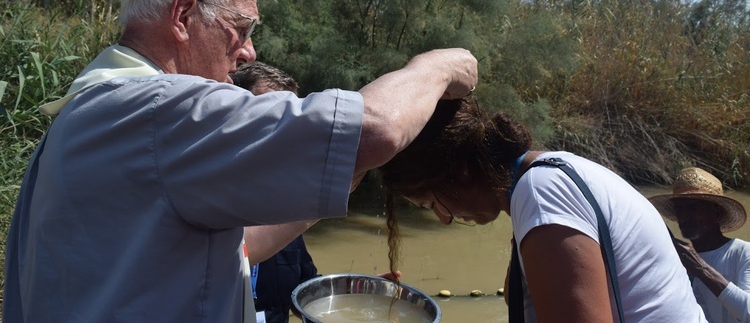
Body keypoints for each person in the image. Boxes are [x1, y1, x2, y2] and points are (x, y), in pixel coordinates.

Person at [2, 0, 478, 322]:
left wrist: (332, 176)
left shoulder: (88, 111)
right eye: (242, 28)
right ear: (184, 15)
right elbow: (376, 130)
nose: (249, 52)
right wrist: (436, 66)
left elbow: (240, 247)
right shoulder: (160, 108)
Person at [379, 98, 708, 322]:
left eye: (433, 203)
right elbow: (516, 298)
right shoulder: (544, 177)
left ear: (460, 170)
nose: (444, 219)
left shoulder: (543, 192)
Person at [231, 61, 318, 323]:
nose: (281, 129)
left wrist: (353, 296)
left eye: (289, 117)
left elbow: (304, 291)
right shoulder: (200, 203)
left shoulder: (284, 207)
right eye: (268, 114)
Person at [649, 167, 750, 323]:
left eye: (693, 207)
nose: (684, 216)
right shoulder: (674, 258)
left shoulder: (742, 253)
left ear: (716, 213)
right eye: (679, 208)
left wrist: (700, 267)